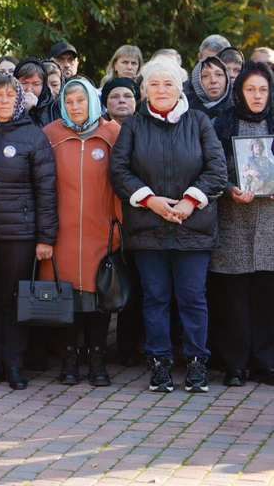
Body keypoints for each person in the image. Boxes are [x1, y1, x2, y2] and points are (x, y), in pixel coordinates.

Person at [110, 56, 228, 394]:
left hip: (194, 228)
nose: (161, 90)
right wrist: (152, 201)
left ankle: (196, 364)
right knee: (156, 298)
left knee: (193, 298)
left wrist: (190, 201)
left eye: (168, 84)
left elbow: (216, 169)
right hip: (148, 228)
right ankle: (159, 363)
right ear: (145, 90)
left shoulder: (200, 122)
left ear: (180, 88)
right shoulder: (133, 125)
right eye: (154, 84)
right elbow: (119, 171)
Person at [0, 74, 57, 390]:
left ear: (19, 101)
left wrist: (46, 237)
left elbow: (47, 190)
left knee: (16, 298)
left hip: (21, 233)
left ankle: (15, 364)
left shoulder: (34, 136)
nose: (3, 100)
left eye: (9, 95)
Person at [42, 77, 122, 387]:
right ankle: (70, 358)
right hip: (61, 231)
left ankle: (98, 359)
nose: (76, 107)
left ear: (92, 100)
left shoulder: (112, 133)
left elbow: (121, 182)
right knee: (68, 299)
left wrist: (119, 228)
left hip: (100, 230)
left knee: (98, 297)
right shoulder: (50, 135)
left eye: (81, 101)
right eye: (70, 101)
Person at [209, 63, 274, 386]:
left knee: (265, 295)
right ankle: (234, 365)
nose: (257, 96)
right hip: (233, 220)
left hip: (270, 224)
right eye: (251, 89)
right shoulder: (222, 124)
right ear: (239, 91)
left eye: (263, 89)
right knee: (233, 298)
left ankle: (264, 362)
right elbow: (212, 167)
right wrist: (229, 189)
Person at [186, 55, 232, 120]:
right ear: (196, 82)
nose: (213, 80)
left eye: (219, 74)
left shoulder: (239, 109)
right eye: (205, 76)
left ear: (227, 79)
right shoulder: (184, 111)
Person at [15, 59, 60, 127]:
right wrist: (24, 110)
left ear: (43, 86)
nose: (29, 89)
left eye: (36, 84)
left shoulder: (54, 108)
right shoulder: (6, 105)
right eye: (24, 83)